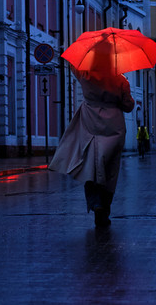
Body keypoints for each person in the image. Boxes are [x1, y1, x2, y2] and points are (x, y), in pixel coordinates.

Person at [49, 61, 135, 227]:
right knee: (110, 170)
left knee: (91, 165)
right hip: (114, 127)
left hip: (90, 123)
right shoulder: (121, 80)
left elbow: (73, 66)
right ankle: (105, 209)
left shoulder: (86, 74)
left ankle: (95, 203)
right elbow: (129, 106)